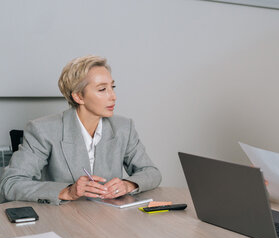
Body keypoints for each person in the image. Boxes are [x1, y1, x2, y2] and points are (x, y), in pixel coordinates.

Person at [0, 55, 161, 205]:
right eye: (102, 89)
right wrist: (67, 191)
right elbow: (11, 183)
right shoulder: (43, 130)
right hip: (61, 221)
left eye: (112, 87)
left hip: (108, 219)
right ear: (78, 96)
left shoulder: (123, 127)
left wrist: (128, 185)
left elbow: (152, 173)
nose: (113, 96)